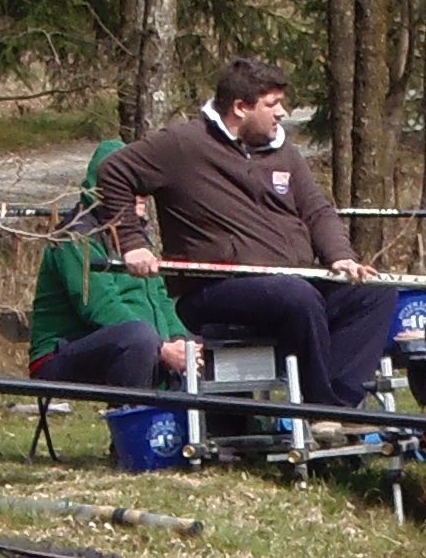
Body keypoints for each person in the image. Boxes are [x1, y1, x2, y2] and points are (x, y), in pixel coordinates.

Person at [97, 57, 400, 406]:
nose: (283, 112)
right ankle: (320, 408)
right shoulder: (184, 144)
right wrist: (132, 243)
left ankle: (343, 409)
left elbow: (317, 210)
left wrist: (341, 257)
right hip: (217, 290)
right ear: (241, 107)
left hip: (291, 281)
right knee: (296, 297)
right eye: (272, 104)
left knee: (374, 294)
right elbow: (114, 171)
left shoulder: (284, 152)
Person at [29, 142, 197, 392]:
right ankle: (135, 423)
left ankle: (229, 427)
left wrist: (181, 342)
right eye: (131, 187)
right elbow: (100, 307)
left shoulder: (136, 240)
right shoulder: (74, 239)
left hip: (142, 344)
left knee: (207, 344)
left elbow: (160, 298)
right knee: (139, 339)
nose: (141, 196)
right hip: (61, 354)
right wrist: (161, 348)